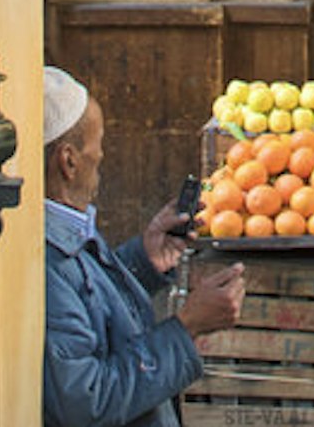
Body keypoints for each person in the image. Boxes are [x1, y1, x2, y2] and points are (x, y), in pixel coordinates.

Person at [41, 63, 245, 427]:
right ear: (68, 161)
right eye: (97, 145)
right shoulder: (45, 262)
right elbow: (86, 400)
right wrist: (186, 328)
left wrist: (141, 260)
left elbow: (89, 308)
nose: (101, 156)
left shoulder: (64, 232)